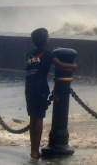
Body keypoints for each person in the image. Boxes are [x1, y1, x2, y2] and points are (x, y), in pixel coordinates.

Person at [25, 28, 77, 159]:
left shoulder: (30, 54)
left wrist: (53, 52)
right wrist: (74, 66)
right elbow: (61, 65)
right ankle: (36, 152)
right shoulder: (48, 54)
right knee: (39, 119)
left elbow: (41, 58)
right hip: (41, 89)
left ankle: (33, 150)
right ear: (45, 40)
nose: (49, 38)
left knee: (33, 119)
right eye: (48, 37)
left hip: (29, 89)